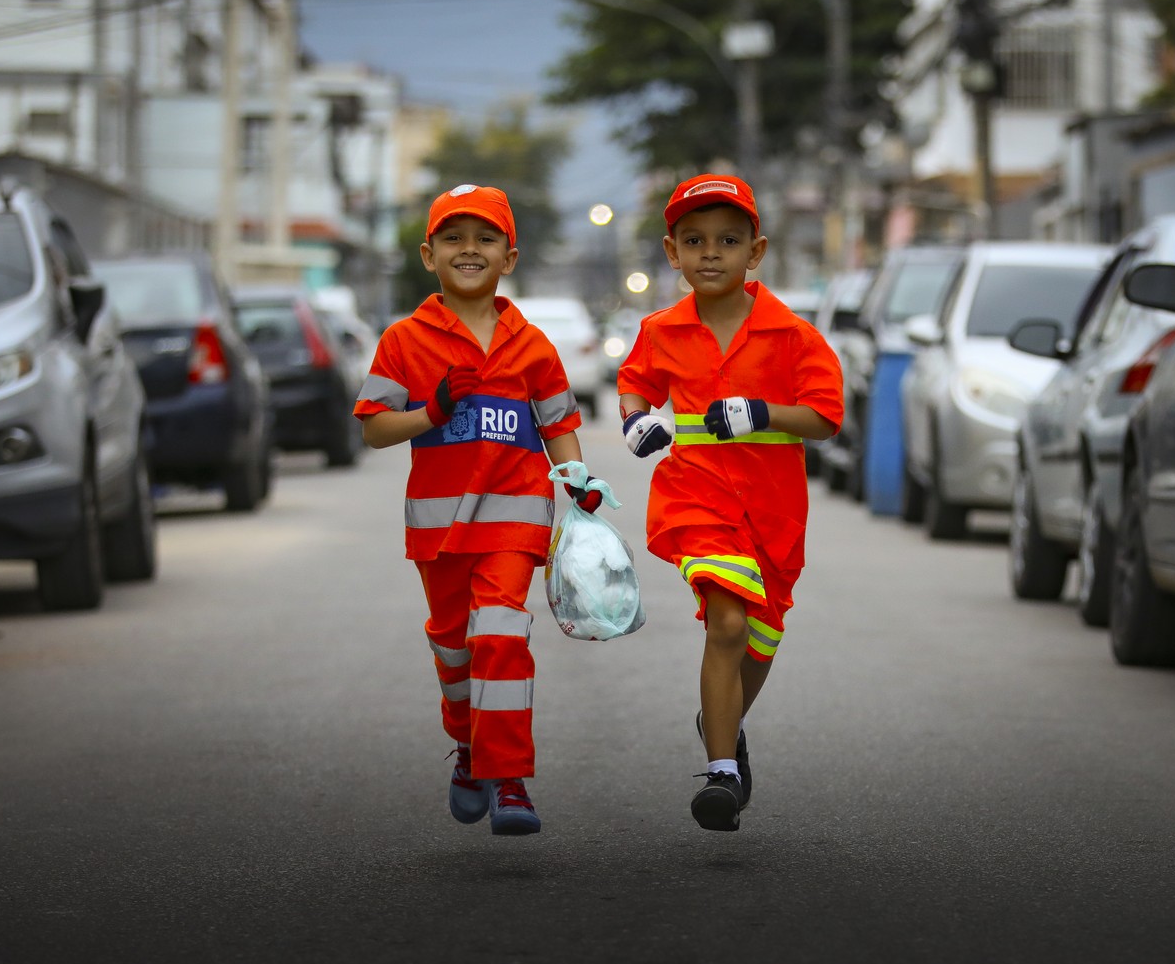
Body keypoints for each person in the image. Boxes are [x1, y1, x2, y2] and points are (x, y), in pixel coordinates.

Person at [354, 183, 603, 837]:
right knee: (455, 647)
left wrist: (578, 483)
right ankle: (467, 750)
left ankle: (509, 778)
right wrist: (430, 411)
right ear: (428, 254)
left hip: (517, 514)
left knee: (498, 634)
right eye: (454, 239)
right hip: (438, 529)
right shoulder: (404, 340)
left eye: (485, 238)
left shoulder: (533, 346)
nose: (470, 250)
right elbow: (373, 429)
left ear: (509, 257)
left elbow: (559, 425)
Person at [617, 173, 843, 832]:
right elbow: (634, 386)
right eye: (694, 240)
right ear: (671, 252)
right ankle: (721, 771)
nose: (710, 252)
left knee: (761, 637)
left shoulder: (793, 336)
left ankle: (722, 723)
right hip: (696, 497)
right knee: (727, 623)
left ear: (757, 250)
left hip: (774, 510)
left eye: (727, 239)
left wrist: (764, 411)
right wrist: (636, 423)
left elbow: (826, 415)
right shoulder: (661, 330)